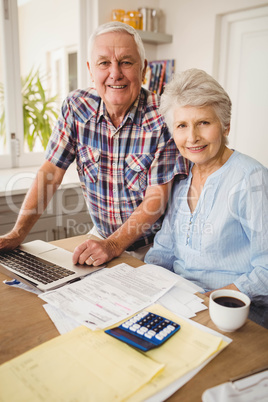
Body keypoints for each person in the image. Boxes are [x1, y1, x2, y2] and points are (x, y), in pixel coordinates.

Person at [0, 21, 187, 265]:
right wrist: (17, 234)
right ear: (91, 70)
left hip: (151, 247)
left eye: (126, 62)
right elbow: (51, 172)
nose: (115, 73)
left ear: (143, 70)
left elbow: (156, 198)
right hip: (101, 237)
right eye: (104, 63)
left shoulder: (164, 116)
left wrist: (112, 245)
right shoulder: (76, 107)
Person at [145, 68, 268, 328]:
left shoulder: (252, 178)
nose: (192, 138)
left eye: (204, 122)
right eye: (182, 126)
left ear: (225, 126)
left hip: (236, 312)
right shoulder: (181, 179)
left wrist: (210, 299)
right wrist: (144, 284)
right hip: (182, 303)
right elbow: (163, 252)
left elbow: (266, 271)